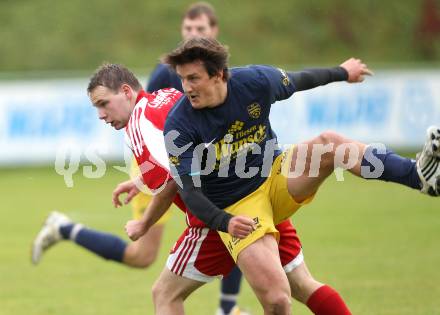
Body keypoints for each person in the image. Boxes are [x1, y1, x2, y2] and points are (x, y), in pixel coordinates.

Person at [156, 37, 440, 315]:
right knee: (279, 300)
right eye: (182, 79)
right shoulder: (180, 125)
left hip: (276, 176)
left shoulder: (255, 82)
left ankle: (417, 175)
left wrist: (343, 72)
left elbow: (300, 79)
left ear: (218, 74)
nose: (186, 88)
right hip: (238, 207)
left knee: (330, 143)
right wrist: (226, 222)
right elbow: (190, 192)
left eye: (193, 78)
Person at [86, 63, 374, 315]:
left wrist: (143, 223)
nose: (101, 114)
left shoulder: (138, 124)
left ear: (126, 91)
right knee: (300, 285)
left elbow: (178, 177)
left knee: (165, 294)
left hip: (217, 217)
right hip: (257, 194)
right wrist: (139, 181)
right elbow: (190, 155)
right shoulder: (169, 97)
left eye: (103, 103)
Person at [30, 5, 243, 314]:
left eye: (200, 29)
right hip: (156, 161)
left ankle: (227, 308)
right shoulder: (167, 73)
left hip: (182, 168)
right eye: (188, 29)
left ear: (215, 32)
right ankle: (65, 228)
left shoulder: (216, 72)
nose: (193, 35)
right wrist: (143, 182)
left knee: (229, 229)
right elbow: (147, 127)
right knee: (144, 255)